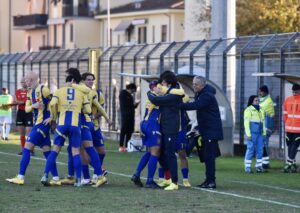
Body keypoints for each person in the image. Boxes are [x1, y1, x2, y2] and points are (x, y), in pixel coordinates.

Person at [40, 73, 95, 187]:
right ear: (75, 82)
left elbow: (52, 103)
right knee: (76, 152)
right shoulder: (81, 92)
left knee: (55, 150)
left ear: (67, 81)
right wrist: (78, 110)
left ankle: (45, 175)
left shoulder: (59, 91)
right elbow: (89, 110)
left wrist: (53, 117)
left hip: (62, 125)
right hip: (75, 125)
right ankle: (79, 180)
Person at [6, 72, 59, 185]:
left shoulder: (44, 89)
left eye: (25, 80)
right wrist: (34, 106)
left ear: (30, 79)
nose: (24, 83)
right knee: (46, 152)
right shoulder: (30, 92)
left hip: (42, 125)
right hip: (38, 124)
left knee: (27, 147)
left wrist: (52, 117)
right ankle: (56, 178)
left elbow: (54, 103)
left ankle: (20, 177)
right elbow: (26, 109)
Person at [180, 76, 223, 189]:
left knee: (210, 157)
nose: (194, 86)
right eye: (193, 84)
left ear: (202, 85)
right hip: (206, 129)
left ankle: (211, 181)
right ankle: (208, 180)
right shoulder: (201, 93)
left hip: (211, 131)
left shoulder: (206, 95)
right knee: (207, 157)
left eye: (196, 84)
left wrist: (179, 106)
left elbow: (196, 105)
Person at [147, 71, 183, 191]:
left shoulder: (174, 94)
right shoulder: (170, 92)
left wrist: (150, 93)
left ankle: (175, 182)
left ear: (167, 82)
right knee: (162, 153)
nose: (160, 85)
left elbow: (156, 101)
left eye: (162, 82)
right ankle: (168, 179)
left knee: (170, 154)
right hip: (164, 126)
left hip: (171, 128)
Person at [131, 80, 161, 189]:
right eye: (159, 87)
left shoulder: (152, 95)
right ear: (153, 88)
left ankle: (137, 174)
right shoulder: (155, 96)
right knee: (155, 152)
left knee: (149, 151)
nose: (161, 89)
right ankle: (150, 181)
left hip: (146, 124)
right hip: (152, 125)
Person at [244, 95, 266, 173]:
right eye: (256, 100)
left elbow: (263, 122)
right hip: (252, 133)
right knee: (250, 149)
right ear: (252, 101)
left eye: (258, 100)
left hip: (260, 133)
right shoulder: (248, 110)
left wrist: (264, 133)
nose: (257, 102)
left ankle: (258, 167)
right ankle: (247, 167)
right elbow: (246, 123)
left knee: (260, 150)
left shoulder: (261, 110)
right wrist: (248, 134)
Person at [283, 84, 300, 173]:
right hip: (289, 129)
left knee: (294, 146)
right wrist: (286, 123)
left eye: (296, 91)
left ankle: (288, 163)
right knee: (289, 145)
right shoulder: (288, 100)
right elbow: (285, 114)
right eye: (293, 91)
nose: (294, 93)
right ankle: (292, 164)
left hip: (298, 130)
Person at [15, 77, 33, 155]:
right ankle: (24, 150)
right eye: (22, 82)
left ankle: (31, 150)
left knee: (29, 132)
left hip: (28, 112)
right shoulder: (17, 91)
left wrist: (22, 102)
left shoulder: (30, 91)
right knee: (22, 133)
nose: (23, 83)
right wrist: (21, 102)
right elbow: (16, 101)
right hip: (20, 113)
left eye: (24, 82)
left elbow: (30, 101)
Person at [119, 83, 139, 152]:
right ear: (131, 88)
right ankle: (121, 146)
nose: (133, 92)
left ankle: (127, 146)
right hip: (125, 115)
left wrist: (135, 105)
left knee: (129, 131)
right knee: (123, 130)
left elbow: (131, 106)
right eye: (133, 90)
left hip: (131, 115)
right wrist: (132, 105)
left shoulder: (130, 96)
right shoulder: (123, 94)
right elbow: (125, 105)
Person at [259, 85, 275, 169]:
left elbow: (261, 109)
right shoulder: (262, 100)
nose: (260, 93)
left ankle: (265, 163)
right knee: (262, 144)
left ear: (264, 92)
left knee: (264, 144)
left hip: (266, 126)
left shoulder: (268, 101)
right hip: (262, 125)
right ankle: (264, 162)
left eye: (261, 91)